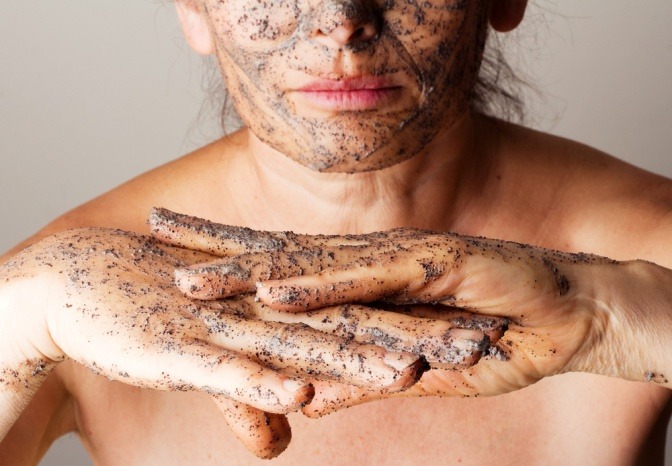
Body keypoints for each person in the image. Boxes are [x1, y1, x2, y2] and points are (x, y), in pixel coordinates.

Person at [1, 0, 671, 464]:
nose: (342, 23)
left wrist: (612, 319)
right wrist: (22, 313)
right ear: (192, 6)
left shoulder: (650, 250)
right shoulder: (78, 301)